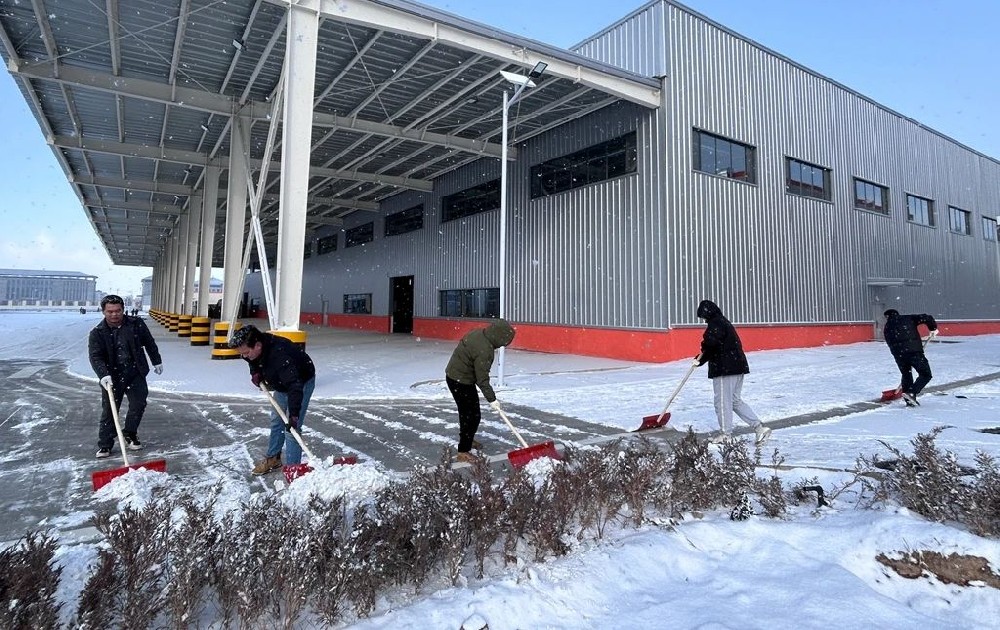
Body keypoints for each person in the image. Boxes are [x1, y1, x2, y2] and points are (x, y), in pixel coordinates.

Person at [228, 324, 316, 475]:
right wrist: (255, 372)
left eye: (246, 352)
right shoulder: (254, 350)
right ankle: (273, 458)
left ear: (257, 345)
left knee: (291, 429)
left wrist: (294, 414)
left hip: (301, 383)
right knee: (277, 421)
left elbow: (295, 386)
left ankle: (293, 469)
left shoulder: (279, 356)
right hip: (281, 384)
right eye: (241, 354)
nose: (244, 356)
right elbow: (252, 361)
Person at [88, 294, 163, 458]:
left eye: (118, 311)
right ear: (103, 312)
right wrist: (103, 375)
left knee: (138, 403)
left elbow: (149, 342)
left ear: (123, 309)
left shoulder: (136, 324)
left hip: (135, 372)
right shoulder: (97, 333)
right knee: (110, 409)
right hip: (112, 376)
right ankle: (105, 444)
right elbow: (95, 356)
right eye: (110, 312)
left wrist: (156, 361)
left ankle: (129, 432)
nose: (114, 315)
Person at [694, 299, 771, 445]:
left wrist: (700, 360)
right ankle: (759, 428)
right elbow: (714, 344)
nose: (704, 320)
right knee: (734, 401)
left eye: (703, 317)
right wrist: (701, 358)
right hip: (737, 366)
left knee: (722, 402)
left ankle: (725, 434)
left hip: (725, 369)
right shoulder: (724, 322)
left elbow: (711, 344)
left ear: (707, 313)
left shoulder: (715, 323)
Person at [445, 319, 516, 463]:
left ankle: (468, 440)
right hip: (460, 381)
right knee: (470, 416)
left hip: (456, 376)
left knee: (471, 414)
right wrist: (492, 399)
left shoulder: (479, 334)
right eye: (504, 341)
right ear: (499, 337)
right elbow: (482, 379)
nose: (504, 345)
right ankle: (463, 450)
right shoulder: (485, 351)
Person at [882, 309, 938, 406]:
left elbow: (891, 344)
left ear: (887, 317)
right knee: (926, 374)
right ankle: (911, 393)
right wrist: (933, 328)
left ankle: (909, 402)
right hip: (914, 352)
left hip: (899, 356)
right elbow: (927, 317)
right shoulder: (908, 318)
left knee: (906, 375)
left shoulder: (887, 328)